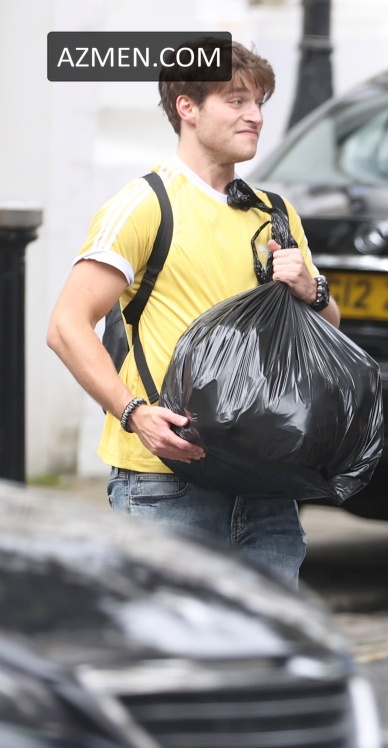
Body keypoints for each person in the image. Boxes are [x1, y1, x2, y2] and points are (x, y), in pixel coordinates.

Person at [47, 39, 339, 589]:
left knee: (266, 644)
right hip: (168, 481)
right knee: (172, 644)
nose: (255, 116)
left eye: (259, 103)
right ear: (188, 107)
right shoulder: (145, 205)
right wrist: (134, 413)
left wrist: (312, 289)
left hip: (266, 480)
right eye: (236, 101)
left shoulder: (275, 213)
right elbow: (66, 326)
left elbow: (327, 331)